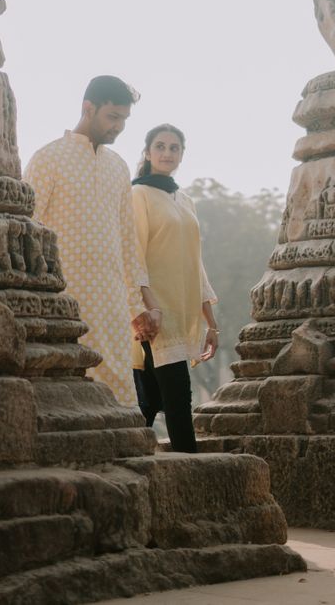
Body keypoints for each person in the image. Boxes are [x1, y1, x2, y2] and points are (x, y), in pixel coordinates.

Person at [25, 75, 159, 407]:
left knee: (116, 384)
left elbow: (128, 243)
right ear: (88, 108)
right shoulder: (48, 159)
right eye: (112, 117)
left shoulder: (118, 167)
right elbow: (25, 232)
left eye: (124, 119)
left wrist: (137, 306)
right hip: (63, 302)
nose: (119, 127)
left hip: (111, 304)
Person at [131, 123, 218, 452]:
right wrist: (147, 308)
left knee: (149, 401)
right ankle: (193, 474)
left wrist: (211, 322)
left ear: (182, 153)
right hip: (155, 315)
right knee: (179, 400)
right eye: (160, 146)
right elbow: (133, 256)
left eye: (174, 147)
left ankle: (122, 463)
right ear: (148, 152)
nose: (167, 153)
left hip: (182, 314)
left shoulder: (185, 200)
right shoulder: (138, 195)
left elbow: (195, 264)